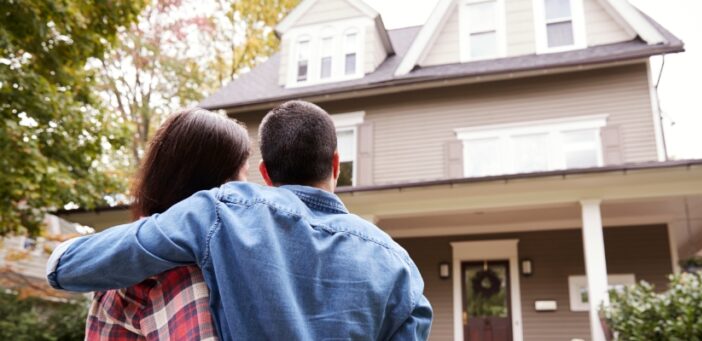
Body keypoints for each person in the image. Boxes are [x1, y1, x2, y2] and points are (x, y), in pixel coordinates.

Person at [47, 100, 433, 340]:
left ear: (265, 174)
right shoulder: (399, 265)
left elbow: (71, 268)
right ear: (336, 165)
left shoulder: (219, 212)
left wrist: (59, 258)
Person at [86, 108, 251, 340]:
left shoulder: (126, 256)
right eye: (241, 178)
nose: (247, 193)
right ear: (217, 184)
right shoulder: (182, 272)